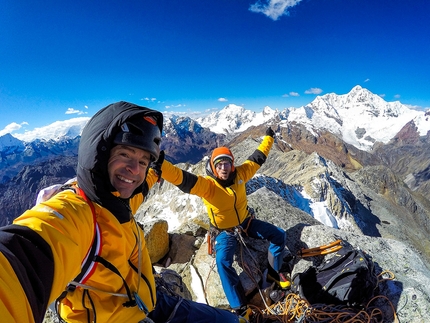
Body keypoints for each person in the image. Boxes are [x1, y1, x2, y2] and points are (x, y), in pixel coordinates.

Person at [0, 101, 241, 323]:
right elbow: (20, 259)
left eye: (143, 160)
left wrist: (157, 170)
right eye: (124, 154)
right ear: (98, 154)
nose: (134, 170)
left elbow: (143, 184)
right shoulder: (76, 214)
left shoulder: (117, 200)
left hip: (145, 300)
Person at [155, 127, 289, 319]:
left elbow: (259, 156)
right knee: (222, 262)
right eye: (219, 165)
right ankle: (239, 306)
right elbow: (181, 178)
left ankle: (275, 273)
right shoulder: (208, 186)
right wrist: (162, 165)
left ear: (232, 164)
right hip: (225, 232)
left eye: (227, 163)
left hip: (246, 223)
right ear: (213, 167)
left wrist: (269, 137)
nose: (224, 168)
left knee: (279, 235)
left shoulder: (242, 174)